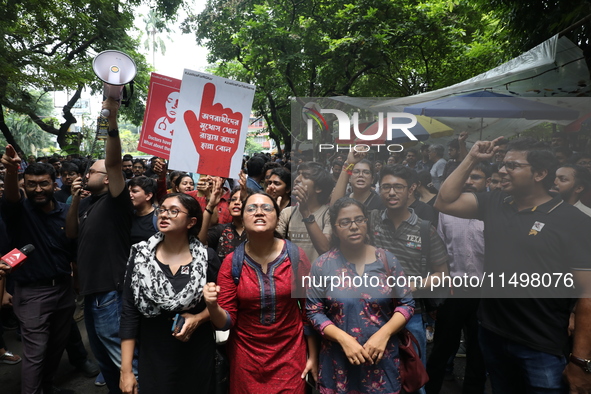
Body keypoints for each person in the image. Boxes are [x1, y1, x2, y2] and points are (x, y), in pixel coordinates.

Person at [434, 137, 591, 393]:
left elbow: (588, 295)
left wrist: (581, 362)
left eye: (513, 166)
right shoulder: (496, 202)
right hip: (493, 333)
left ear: (539, 173)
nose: (503, 170)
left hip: (542, 344)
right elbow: (445, 200)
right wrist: (472, 156)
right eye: (503, 164)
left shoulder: (573, 221)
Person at [203, 191, 318, 394]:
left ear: (277, 215)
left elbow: (309, 311)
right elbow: (225, 321)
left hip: (290, 354)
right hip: (245, 358)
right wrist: (213, 306)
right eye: (251, 208)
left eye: (266, 208)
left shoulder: (295, 256)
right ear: (242, 217)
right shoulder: (232, 262)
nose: (259, 213)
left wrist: (313, 356)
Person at [306, 197, 414, 394]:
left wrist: (384, 334)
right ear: (335, 229)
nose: (353, 226)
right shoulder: (322, 265)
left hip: (382, 361)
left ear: (367, 223)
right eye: (345, 222)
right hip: (338, 361)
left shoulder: (387, 259)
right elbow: (314, 311)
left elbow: (406, 304)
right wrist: (344, 339)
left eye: (359, 220)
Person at [66, 98, 135, 394]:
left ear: (107, 178)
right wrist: (76, 200)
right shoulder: (87, 205)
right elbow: (70, 234)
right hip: (92, 292)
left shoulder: (116, 201)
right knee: (106, 364)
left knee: (124, 365)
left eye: (92, 172)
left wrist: (112, 122)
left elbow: (114, 161)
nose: (85, 175)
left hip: (110, 291)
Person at [120, 193, 219, 394]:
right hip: (154, 352)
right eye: (162, 210)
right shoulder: (140, 257)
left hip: (196, 351)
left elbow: (225, 305)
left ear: (191, 222)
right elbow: (129, 312)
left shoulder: (207, 258)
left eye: (173, 211)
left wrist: (199, 318)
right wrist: (126, 370)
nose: (164, 215)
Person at [0, 156, 76, 394]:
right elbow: (11, 197)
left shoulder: (66, 213)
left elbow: (73, 249)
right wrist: (12, 171)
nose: (38, 189)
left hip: (64, 290)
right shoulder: (18, 212)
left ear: (55, 184)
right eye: (31, 184)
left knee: (56, 346)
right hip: (33, 294)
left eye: (43, 183)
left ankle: (47, 386)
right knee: (35, 353)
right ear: (25, 185)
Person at [425, 162, 491, 394]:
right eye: (466, 177)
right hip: (454, 291)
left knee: (479, 350)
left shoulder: (496, 212)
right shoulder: (446, 212)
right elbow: (440, 251)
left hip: (485, 293)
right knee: (442, 347)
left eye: (477, 177)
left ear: (488, 182)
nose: (470, 181)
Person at [277, 162, 334, 264]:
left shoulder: (328, 214)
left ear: (318, 188)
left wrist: (306, 213)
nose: (297, 179)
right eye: (298, 174)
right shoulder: (287, 213)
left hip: (316, 277)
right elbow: (274, 245)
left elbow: (325, 249)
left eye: (305, 177)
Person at [128, 176, 158, 244]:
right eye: (129, 191)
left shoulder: (158, 218)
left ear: (148, 196)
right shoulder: (128, 216)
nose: (130, 195)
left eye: (134, 191)